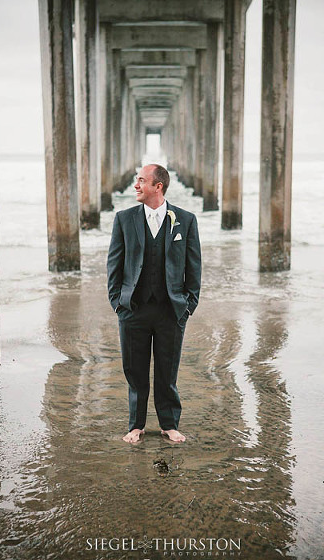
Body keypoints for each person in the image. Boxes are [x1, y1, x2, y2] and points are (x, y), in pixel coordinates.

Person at [106, 164, 201, 444]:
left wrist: (187, 306)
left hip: (171, 309)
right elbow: (114, 264)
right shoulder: (124, 219)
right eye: (137, 181)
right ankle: (135, 425)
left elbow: (194, 267)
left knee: (167, 371)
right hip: (133, 309)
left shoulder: (186, 219)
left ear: (157, 187)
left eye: (141, 181)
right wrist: (117, 303)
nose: (136, 186)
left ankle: (169, 424)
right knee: (135, 371)